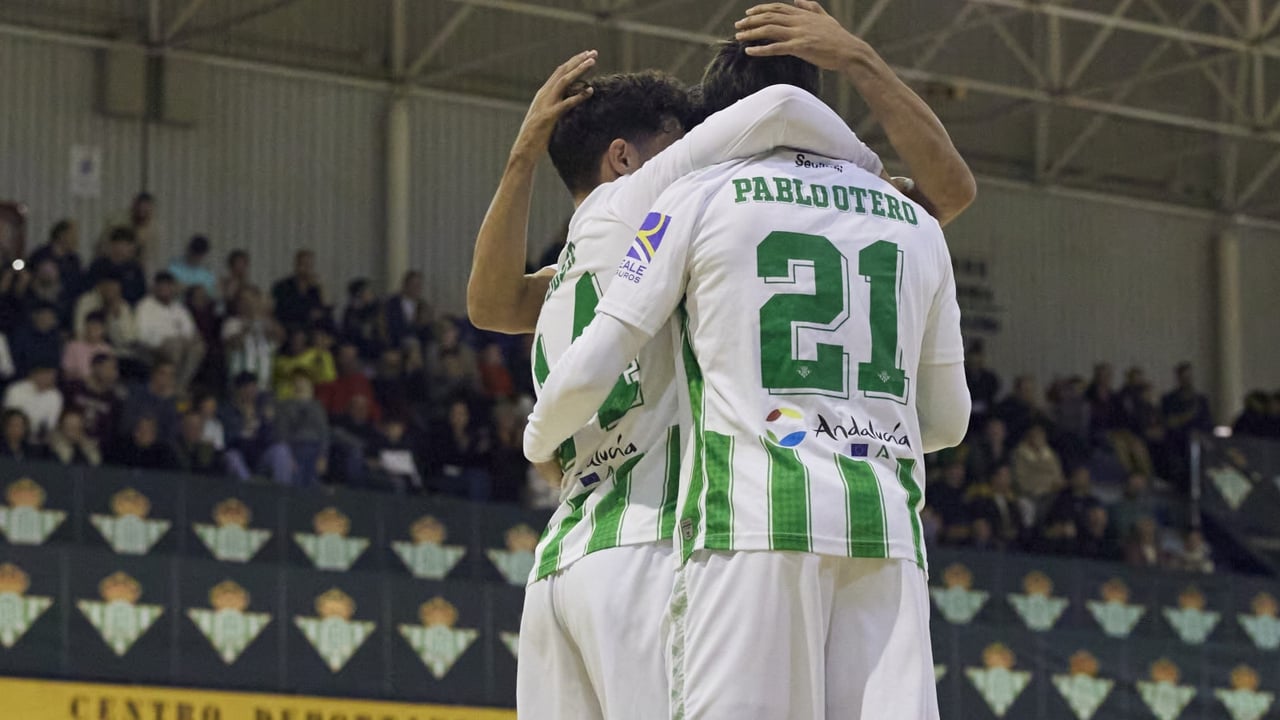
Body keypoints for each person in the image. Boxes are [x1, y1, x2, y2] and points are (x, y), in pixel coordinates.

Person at [521, 18, 974, 720]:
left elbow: (589, 354)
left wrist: (534, 439)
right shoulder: (912, 220)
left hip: (743, 519)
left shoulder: (690, 198)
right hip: (885, 526)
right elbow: (946, 422)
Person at [220, 372, 292, 484]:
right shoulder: (228, 411)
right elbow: (227, 441)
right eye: (247, 388)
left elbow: (272, 438)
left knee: (281, 450)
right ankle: (249, 491)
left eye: (253, 387)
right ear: (239, 390)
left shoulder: (263, 407)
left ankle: (282, 494)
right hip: (240, 457)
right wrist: (244, 426)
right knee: (232, 457)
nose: (251, 392)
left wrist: (267, 422)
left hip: (260, 457)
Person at [274, 371, 330, 487]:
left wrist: (323, 456)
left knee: (313, 484)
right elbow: (282, 432)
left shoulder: (317, 406)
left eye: (304, 382)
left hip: (314, 449)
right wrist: (288, 458)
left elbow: (324, 433)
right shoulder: (286, 406)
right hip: (295, 448)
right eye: (298, 382)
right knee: (297, 482)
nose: (301, 385)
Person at [222, 286, 281, 391]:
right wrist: (249, 323)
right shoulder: (232, 323)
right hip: (240, 386)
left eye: (251, 300)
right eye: (244, 301)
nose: (248, 304)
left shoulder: (268, 323)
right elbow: (233, 344)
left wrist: (264, 315)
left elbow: (279, 337)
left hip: (264, 385)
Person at [120, 361, 181, 442]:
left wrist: (166, 400)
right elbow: (126, 424)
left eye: (171, 375)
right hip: (131, 441)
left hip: (157, 447)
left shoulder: (172, 402)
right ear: (154, 374)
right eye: (163, 373)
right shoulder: (136, 392)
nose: (167, 378)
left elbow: (172, 433)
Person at [73, 275, 139, 350]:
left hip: (118, 352)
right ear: (100, 286)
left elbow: (129, 339)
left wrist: (117, 317)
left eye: (116, 289)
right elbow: (79, 333)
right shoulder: (86, 301)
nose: (113, 292)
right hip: (89, 351)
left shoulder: (123, 306)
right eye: (110, 287)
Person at [85, 227, 146, 304]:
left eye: (126, 245)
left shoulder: (135, 269)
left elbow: (141, 295)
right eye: (118, 244)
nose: (120, 248)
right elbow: (89, 289)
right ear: (111, 245)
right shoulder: (98, 265)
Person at [272, 328, 336, 399]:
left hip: (308, 399)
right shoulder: (280, 361)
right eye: (294, 340)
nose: (297, 343)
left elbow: (329, 379)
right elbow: (275, 382)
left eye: (301, 341)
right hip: (284, 400)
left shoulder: (318, 355)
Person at [2, 366, 63, 442]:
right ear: (34, 373)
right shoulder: (15, 390)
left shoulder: (56, 396)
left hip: (41, 441)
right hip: (15, 437)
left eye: (51, 373)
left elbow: (51, 426)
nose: (48, 377)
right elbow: (10, 419)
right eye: (44, 372)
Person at [271, 249, 326, 330]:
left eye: (310, 266)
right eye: (304, 265)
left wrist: (322, 289)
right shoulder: (283, 286)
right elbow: (283, 311)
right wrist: (307, 313)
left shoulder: (315, 289)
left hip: (312, 327)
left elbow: (323, 309)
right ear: (297, 265)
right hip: (290, 326)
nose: (307, 269)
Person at [28, 219, 84, 299]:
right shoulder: (41, 254)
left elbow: (78, 286)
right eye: (72, 235)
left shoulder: (74, 260)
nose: (75, 239)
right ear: (61, 235)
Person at [9, 304, 63, 379]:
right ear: (35, 316)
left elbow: (56, 362)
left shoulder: (55, 336)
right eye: (44, 316)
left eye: (51, 317)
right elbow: (16, 361)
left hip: (48, 380)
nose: (46, 320)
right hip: (23, 378)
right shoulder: (21, 334)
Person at [61, 311, 114, 383]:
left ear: (103, 330)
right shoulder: (72, 346)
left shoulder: (106, 349)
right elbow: (66, 374)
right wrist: (85, 379)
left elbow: (110, 374)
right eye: (90, 326)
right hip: (78, 385)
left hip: (100, 387)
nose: (92, 331)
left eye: (97, 328)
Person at [107, 415, 175, 470]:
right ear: (136, 432)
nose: (150, 433)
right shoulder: (122, 449)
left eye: (152, 429)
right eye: (144, 430)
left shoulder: (164, 453)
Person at [340, 278, 383, 362]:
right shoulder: (351, 312)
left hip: (375, 349)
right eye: (365, 292)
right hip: (358, 349)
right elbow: (346, 333)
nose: (369, 294)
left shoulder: (378, 308)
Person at [384, 270, 428, 350]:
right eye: (413, 284)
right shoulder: (392, 303)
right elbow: (391, 326)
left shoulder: (423, 305)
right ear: (405, 285)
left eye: (419, 285)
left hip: (419, 341)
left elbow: (425, 329)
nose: (416, 288)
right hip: (397, 340)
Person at [172, 410, 222, 475]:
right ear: (183, 427)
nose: (195, 430)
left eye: (198, 427)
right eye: (191, 426)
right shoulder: (173, 451)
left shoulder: (206, 452)